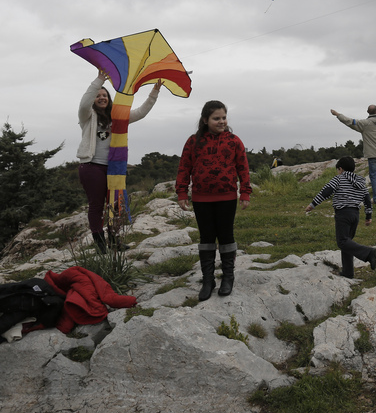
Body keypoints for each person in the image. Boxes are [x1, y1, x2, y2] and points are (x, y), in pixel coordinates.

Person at [77, 71, 161, 253]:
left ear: (109, 99)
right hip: (91, 167)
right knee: (97, 206)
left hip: (114, 168)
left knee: (115, 205)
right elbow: (84, 102)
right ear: (94, 99)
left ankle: (114, 241)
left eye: (104, 95)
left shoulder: (118, 117)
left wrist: (154, 93)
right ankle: (100, 244)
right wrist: (99, 80)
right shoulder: (87, 116)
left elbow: (141, 112)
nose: (101, 98)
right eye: (98, 96)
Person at [176, 100, 252, 301]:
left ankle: (228, 277)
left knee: (226, 236)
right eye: (216, 118)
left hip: (227, 197)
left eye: (224, 118)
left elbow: (243, 167)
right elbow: (184, 167)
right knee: (206, 238)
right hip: (201, 198)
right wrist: (182, 192)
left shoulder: (234, 141)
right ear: (205, 120)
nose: (221, 122)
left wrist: (245, 192)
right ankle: (208, 280)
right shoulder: (193, 142)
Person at [305, 156, 376, 278]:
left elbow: (326, 191)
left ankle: (368, 253)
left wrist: (313, 204)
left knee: (343, 242)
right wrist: (368, 215)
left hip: (343, 213)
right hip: (355, 215)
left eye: (338, 170)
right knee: (347, 243)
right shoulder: (360, 181)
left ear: (341, 169)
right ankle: (348, 272)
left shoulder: (339, 179)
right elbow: (367, 200)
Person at [331, 106, 376, 203]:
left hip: (372, 154)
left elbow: (350, 121)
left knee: (373, 176)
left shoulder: (365, 124)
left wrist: (337, 115)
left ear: (368, 112)